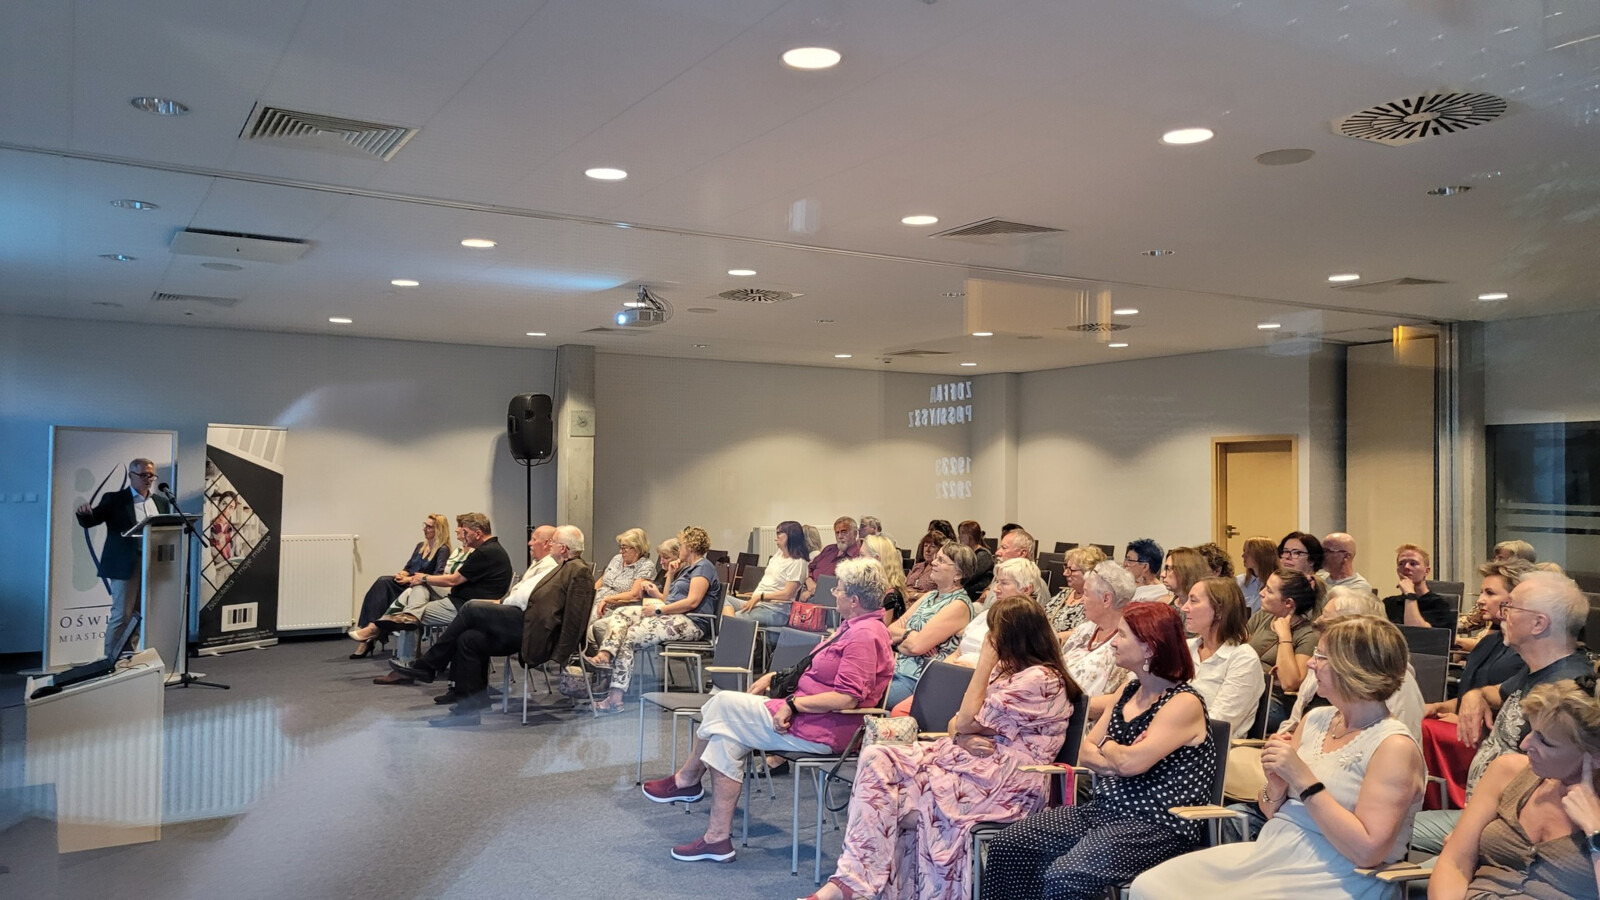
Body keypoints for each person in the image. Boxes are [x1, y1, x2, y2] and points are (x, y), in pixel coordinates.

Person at [1130, 616, 1426, 900]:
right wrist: (1275, 784)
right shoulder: (1316, 720)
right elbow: (1272, 812)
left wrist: (1303, 779)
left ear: (1354, 669)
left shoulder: (1392, 746)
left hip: (1337, 872)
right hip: (1274, 848)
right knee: (1152, 885)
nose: (1310, 662)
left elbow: (1368, 851)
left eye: (1321, 657)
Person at [807, 596, 1081, 900]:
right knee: (878, 756)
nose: (990, 641)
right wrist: (963, 735)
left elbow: (963, 720)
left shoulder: (1041, 679)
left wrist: (984, 666)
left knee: (892, 800)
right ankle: (854, 882)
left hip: (1009, 781)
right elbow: (957, 724)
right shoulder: (1012, 672)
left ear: (1013, 637)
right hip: (975, 764)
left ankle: (852, 886)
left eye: (994, 634)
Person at [641, 558, 894, 864]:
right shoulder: (853, 626)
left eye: (838, 589)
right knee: (725, 735)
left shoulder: (865, 635)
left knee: (722, 704)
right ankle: (716, 839)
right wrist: (774, 678)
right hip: (808, 718)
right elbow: (814, 672)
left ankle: (687, 779)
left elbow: (847, 699)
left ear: (853, 600)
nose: (834, 594)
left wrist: (792, 703)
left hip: (826, 729)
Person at [980, 602, 1216, 900]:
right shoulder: (1128, 691)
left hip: (1156, 825)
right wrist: (1116, 752)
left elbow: (1130, 764)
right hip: (1103, 812)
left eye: (1122, 636)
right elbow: (1086, 752)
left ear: (1149, 648)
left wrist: (1111, 750)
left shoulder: (1184, 703)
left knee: (1066, 874)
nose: (1113, 642)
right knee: (1010, 844)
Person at [1412, 568, 1594, 854]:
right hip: (1482, 813)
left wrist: (1478, 838)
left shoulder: (1565, 690)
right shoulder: (1535, 670)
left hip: (1506, 830)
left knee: (1390, 831)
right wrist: (1475, 695)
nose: (1503, 612)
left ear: (1538, 624)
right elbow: (1496, 693)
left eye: (1511, 606)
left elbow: (1553, 793)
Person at [388, 525, 591, 724]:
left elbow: (576, 616)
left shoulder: (578, 571)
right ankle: (470, 709)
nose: (550, 546)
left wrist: (564, 651)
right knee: (469, 639)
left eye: (553, 543)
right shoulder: (561, 566)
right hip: (519, 617)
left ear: (563, 548)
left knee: (471, 608)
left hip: (531, 627)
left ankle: (428, 665)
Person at [1428, 678, 1600, 900]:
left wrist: (1595, 832)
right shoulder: (1508, 772)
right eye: (1531, 730)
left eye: (1544, 741)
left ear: (1595, 756)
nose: (1525, 744)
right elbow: (1455, 862)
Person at [586, 525, 723, 713]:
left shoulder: (703, 568)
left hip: (690, 622)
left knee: (630, 635)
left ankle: (615, 698)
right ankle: (605, 654)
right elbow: (667, 599)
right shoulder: (687, 569)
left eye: (682, 545)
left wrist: (659, 611)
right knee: (621, 613)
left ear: (690, 547)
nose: (679, 549)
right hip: (672, 614)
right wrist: (672, 575)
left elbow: (692, 602)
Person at [356, 516, 522, 663]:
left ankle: (404, 661)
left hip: (467, 607)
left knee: (408, 613)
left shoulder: (485, 553)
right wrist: (420, 578)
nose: (462, 536)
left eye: (465, 532)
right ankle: (397, 642)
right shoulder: (488, 550)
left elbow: (453, 579)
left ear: (477, 533)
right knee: (410, 594)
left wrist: (424, 577)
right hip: (461, 600)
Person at [75, 457, 172, 661]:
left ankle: (128, 655)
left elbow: (167, 530)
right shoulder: (115, 499)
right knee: (122, 613)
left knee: (138, 613)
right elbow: (92, 520)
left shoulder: (161, 502)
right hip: (126, 563)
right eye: (143, 475)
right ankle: (111, 659)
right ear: (131, 476)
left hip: (153, 562)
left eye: (151, 475)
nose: (148, 479)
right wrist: (84, 514)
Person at [886, 541, 976, 706]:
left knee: (857, 696)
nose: (933, 562)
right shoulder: (930, 596)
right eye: (936, 558)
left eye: (941, 560)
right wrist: (910, 636)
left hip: (916, 680)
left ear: (958, 574)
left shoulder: (959, 605)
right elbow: (889, 631)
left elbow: (915, 647)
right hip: (894, 670)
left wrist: (905, 640)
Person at [349, 513, 452, 655]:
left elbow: (437, 576)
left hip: (422, 589)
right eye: (425, 525)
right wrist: (402, 574)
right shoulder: (420, 546)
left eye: (429, 527)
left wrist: (409, 580)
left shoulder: (443, 550)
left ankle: (370, 636)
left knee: (387, 592)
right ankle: (370, 630)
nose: (424, 529)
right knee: (382, 582)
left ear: (439, 530)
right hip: (408, 584)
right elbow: (408, 567)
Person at [1182, 576, 1264, 738]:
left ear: (1219, 610)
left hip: (1209, 750)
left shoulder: (1243, 658)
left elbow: (1220, 723)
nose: (1185, 608)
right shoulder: (1185, 647)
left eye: (1194, 601)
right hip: (1170, 738)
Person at [1247, 568, 1320, 733]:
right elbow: (1238, 652)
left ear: (1288, 603)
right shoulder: (1261, 617)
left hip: (1274, 703)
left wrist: (1284, 637)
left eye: (1269, 591)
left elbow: (1289, 683)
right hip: (1250, 691)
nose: (1261, 593)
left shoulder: (1308, 634)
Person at [945, 557, 1048, 667]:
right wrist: (945, 667)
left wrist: (972, 669)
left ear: (1026, 590)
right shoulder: (985, 615)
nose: (995, 589)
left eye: (1004, 583)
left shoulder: (1030, 626)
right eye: (997, 582)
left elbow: (1015, 670)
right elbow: (956, 653)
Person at [1060, 561, 1137, 697]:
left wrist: (1069, 707)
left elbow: (1123, 698)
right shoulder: (1084, 629)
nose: (1082, 600)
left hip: (1083, 715)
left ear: (1106, 599)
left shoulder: (1128, 642)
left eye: (1086, 593)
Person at [726, 520, 806, 627]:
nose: (775, 538)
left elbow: (787, 594)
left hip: (775, 611)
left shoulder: (798, 562)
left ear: (790, 536)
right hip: (758, 603)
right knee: (721, 599)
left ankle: (730, 627)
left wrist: (760, 596)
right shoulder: (779, 554)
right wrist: (756, 595)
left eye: (779, 534)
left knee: (734, 618)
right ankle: (731, 626)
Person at [589, 527, 656, 624]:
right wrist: (589, 595)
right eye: (620, 547)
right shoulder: (617, 559)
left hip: (614, 608)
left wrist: (607, 599)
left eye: (624, 548)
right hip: (597, 600)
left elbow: (634, 595)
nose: (621, 551)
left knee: (581, 620)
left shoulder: (646, 566)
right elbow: (602, 579)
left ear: (637, 548)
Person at [1382, 543, 1456, 629]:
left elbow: (1417, 634)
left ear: (1426, 571)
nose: (1406, 567)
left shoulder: (1439, 605)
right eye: (1401, 564)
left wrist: (1410, 594)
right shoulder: (1388, 603)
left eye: (1413, 563)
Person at [1043, 546, 1107, 638]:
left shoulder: (1095, 601)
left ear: (1088, 572)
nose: (1065, 573)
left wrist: (1048, 639)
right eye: (1066, 568)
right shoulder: (1065, 593)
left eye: (1071, 570)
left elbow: (1083, 633)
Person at [803, 517, 863, 601]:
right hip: (809, 592)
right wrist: (809, 581)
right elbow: (810, 567)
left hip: (833, 601)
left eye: (844, 532)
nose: (840, 536)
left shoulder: (858, 555)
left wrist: (816, 591)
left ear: (855, 533)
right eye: (837, 533)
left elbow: (848, 585)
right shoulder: (829, 549)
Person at [861, 534, 909, 623]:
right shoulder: (871, 589)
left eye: (862, 555)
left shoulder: (890, 596)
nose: (858, 560)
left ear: (876, 559)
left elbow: (881, 633)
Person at [1236, 536, 1278, 612]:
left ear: (1262, 556)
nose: (1243, 556)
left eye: (1248, 553)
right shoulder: (1239, 581)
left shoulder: (1277, 583)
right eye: (1244, 551)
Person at [1124, 538, 1168, 603]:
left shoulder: (1158, 593)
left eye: (1130, 560)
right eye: (1126, 559)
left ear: (1145, 566)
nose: (1125, 564)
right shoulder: (1126, 584)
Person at [960, 520, 995, 601]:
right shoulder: (968, 554)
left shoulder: (983, 555)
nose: (960, 537)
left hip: (976, 596)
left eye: (962, 533)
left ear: (970, 535)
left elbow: (969, 576)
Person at [905, 531, 944, 596]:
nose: (927, 550)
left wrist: (915, 595)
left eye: (933, 546)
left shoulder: (940, 569)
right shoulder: (917, 566)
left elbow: (939, 595)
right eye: (925, 545)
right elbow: (905, 587)